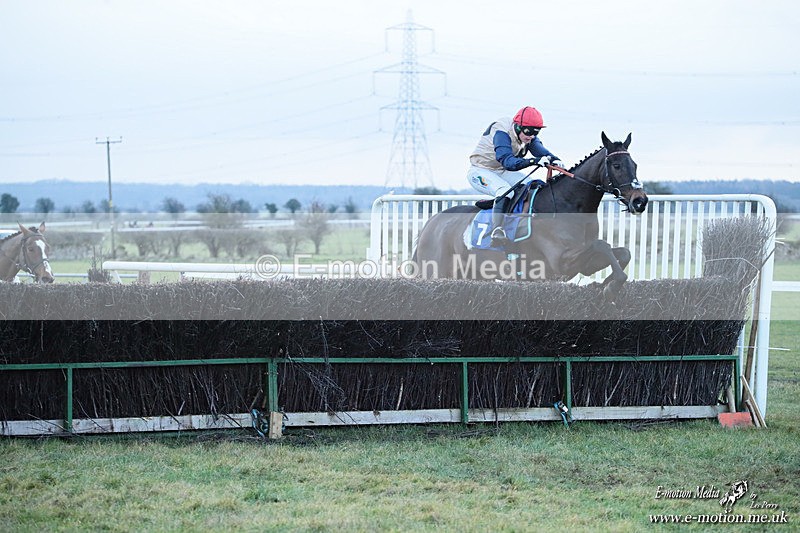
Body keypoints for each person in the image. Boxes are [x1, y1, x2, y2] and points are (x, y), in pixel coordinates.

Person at [467, 106, 564, 245]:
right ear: (518, 127)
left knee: (531, 185)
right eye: (529, 131)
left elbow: (540, 150)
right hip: (480, 170)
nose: (531, 136)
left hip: (500, 171)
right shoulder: (501, 132)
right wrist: (533, 161)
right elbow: (508, 162)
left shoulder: (527, 136)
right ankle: (497, 230)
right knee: (504, 190)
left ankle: (521, 221)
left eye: (536, 132)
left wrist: (555, 159)